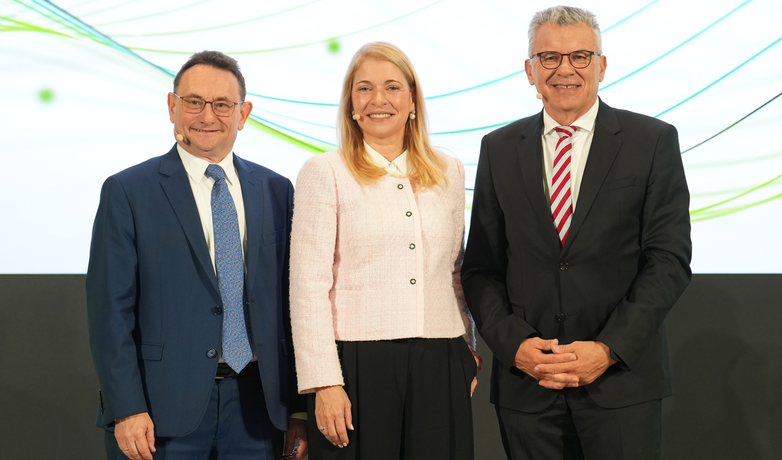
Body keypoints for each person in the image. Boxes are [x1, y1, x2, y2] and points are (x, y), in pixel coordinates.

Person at [462, 6, 692, 460]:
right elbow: (481, 268)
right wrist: (515, 346)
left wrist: (608, 349)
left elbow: (668, 260)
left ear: (601, 66)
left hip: (620, 385)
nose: (564, 69)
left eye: (580, 56)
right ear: (529, 70)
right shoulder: (499, 148)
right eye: (549, 57)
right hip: (528, 388)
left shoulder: (652, 140)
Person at [86, 50, 307, 460]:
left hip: (259, 409)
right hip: (160, 410)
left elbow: (293, 306)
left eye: (222, 104)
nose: (207, 115)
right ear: (172, 107)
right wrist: (126, 407)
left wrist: (298, 408)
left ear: (243, 114)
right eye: (194, 102)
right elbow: (109, 313)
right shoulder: (128, 191)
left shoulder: (277, 190)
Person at [289, 42, 480, 460]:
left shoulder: (448, 171)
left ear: (412, 100)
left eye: (392, 87)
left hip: (440, 356)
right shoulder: (324, 171)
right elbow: (307, 287)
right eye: (364, 88)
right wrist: (324, 382)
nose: (378, 99)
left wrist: (468, 348)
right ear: (351, 104)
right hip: (358, 363)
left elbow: (454, 269)